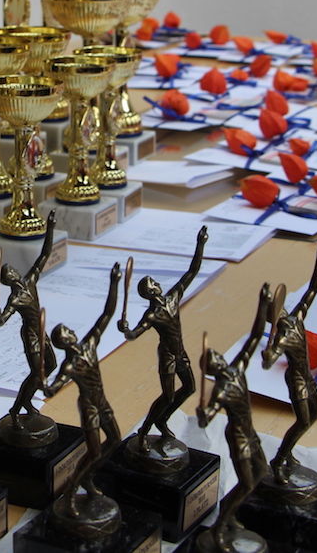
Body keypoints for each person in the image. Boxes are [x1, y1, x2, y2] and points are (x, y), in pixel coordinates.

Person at [117, 225, 207, 452]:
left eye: (155, 282)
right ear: (149, 293)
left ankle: (162, 420)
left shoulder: (173, 297)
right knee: (167, 396)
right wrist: (125, 330)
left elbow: (192, 271)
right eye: (153, 284)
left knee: (189, 388)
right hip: (167, 355)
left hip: (180, 351)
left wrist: (200, 244)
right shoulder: (152, 315)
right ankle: (145, 430)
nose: (157, 284)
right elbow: (135, 334)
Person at [44, 262, 124, 517]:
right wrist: (45, 387)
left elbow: (107, 313)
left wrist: (114, 283)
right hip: (89, 407)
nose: (71, 332)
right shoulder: (69, 366)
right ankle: (71, 491)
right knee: (95, 450)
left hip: (103, 401)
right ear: (63, 341)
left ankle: (88, 478)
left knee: (115, 440)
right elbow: (54, 387)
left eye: (68, 329)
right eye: (66, 332)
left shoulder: (89, 344)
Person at [197, 284, 272, 552]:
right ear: (211, 369)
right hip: (238, 436)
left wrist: (263, 304)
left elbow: (254, 337)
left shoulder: (237, 368)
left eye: (216, 355)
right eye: (213, 360)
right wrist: (203, 414)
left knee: (262, 471)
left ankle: (228, 514)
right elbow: (206, 420)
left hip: (250, 432)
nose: (218, 358)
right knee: (247, 483)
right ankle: (220, 524)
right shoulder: (219, 391)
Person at [261, 242, 317, 488]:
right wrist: (268, 357)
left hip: (307, 376)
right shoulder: (281, 337)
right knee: (303, 420)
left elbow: (313, 289)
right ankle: (279, 459)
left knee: (316, 413)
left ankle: (286, 454)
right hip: (297, 379)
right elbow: (269, 361)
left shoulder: (296, 317)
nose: (284, 308)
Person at [0, 212, 58, 422]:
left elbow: (45, 254)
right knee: (37, 373)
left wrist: (50, 228)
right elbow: (2, 320)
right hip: (30, 335)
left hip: (41, 330)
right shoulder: (15, 299)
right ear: (8, 280)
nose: (12, 270)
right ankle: (16, 408)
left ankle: (26, 401)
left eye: (11, 268)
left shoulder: (30, 280)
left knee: (52, 365)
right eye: (8, 272)